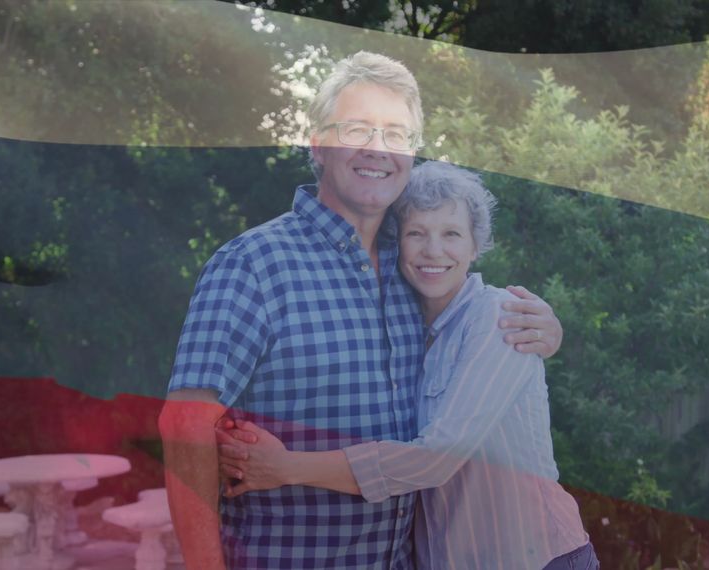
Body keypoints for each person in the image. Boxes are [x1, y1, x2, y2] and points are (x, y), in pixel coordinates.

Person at [158, 52, 564, 570]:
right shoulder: (253, 265)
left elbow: (472, 337)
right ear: (317, 144)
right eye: (357, 129)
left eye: (396, 134)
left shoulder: (413, 266)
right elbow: (186, 424)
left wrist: (546, 331)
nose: (378, 149)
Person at [217, 161, 598, 570]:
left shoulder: (499, 316)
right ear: (396, 244)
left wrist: (287, 468)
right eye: (417, 233)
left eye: (451, 234)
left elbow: (438, 457)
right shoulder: (403, 325)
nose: (433, 250)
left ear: (475, 246)